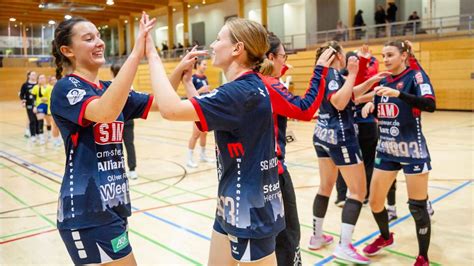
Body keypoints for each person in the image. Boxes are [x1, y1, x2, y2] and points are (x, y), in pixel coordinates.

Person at [146, 17, 289, 265]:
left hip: (251, 211)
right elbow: (201, 113)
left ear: (237, 49)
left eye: (218, 39)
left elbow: (169, 110)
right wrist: (187, 81)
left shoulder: (238, 93)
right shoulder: (243, 89)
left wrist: (151, 55)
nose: (212, 45)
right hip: (231, 204)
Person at [50, 13, 156, 265]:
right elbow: (104, 112)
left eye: (99, 36)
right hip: (87, 213)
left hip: (113, 207)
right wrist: (135, 55)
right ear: (67, 50)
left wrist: (157, 58)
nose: (99, 42)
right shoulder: (67, 89)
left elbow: (162, 103)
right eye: (88, 38)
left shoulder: (108, 89)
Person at [309, 41, 388, 264]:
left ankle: (316, 236)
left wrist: (370, 82)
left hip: (322, 135)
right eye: (342, 53)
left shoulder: (324, 74)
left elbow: (348, 93)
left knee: (325, 188)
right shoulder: (333, 74)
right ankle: (344, 246)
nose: (345, 57)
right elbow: (341, 102)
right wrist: (353, 73)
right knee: (357, 192)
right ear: (337, 55)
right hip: (340, 136)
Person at [259, 33, 334, 266]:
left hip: (252, 173)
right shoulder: (269, 85)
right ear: (270, 57)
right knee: (288, 237)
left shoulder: (250, 81)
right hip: (273, 173)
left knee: (263, 241)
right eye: (283, 56)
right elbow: (305, 109)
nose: (286, 60)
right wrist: (320, 69)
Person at [361, 40, 435, 266]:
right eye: (383, 55)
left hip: (412, 150)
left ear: (404, 56)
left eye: (390, 55)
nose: (385, 60)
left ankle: (423, 256)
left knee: (417, 207)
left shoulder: (416, 77)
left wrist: (399, 95)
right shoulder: (383, 80)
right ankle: (385, 237)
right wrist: (371, 105)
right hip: (386, 149)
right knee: (375, 202)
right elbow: (379, 102)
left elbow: (430, 104)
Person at [110, 63, 138, 179]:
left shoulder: (127, 84)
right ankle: (131, 170)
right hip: (117, 120)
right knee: (126, 145)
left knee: (120, 146)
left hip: (123, 119)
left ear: (112, 72)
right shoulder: (111, 84)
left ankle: (128, 169)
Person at [186, 58, 215, 168]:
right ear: (198, 65)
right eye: (204, 64)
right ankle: (189, 159)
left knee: (204, 133)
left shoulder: (205, 77)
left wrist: (209, 92)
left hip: (205, 108)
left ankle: (203, 155)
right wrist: (201, 90)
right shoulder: (193, 78)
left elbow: (204, 93)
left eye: (206, 65)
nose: (205, 66)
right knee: (196, 134)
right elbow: (190, 96)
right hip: (196, 110)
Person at [30, 74, 53, 144]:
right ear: (38, 80)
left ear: (45, 79)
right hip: (39, 106)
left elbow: (51, 97)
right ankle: (41, 137)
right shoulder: (36, 87)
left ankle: (49, 134)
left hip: (48, 106)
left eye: (43, 78)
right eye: (40, 78)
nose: (42, 79)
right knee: (40, 120)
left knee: (49, 122)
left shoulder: (50, 87)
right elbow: (33, 98)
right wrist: (34, 106)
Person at [19, 71, 38, 142]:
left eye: (35, 74)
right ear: (29, 76)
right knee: (32, 119)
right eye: (32, 75)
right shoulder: (25, 85)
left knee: (37, 120)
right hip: (29, 105)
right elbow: (22, 94)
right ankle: (32, 135)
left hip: (38, 104)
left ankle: (37, 133)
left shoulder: (38, 84)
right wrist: (23, 101)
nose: (34, 76)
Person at [48, 75, 62, 147]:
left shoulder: (60, 88)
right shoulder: (48, 89)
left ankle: (59, 138)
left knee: (61, 126)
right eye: (52, 80)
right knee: (54, 125)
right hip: (52, 109)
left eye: (55, 79)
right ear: (50, 81)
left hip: (61, 109)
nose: (54, 81)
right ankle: (55, 140)